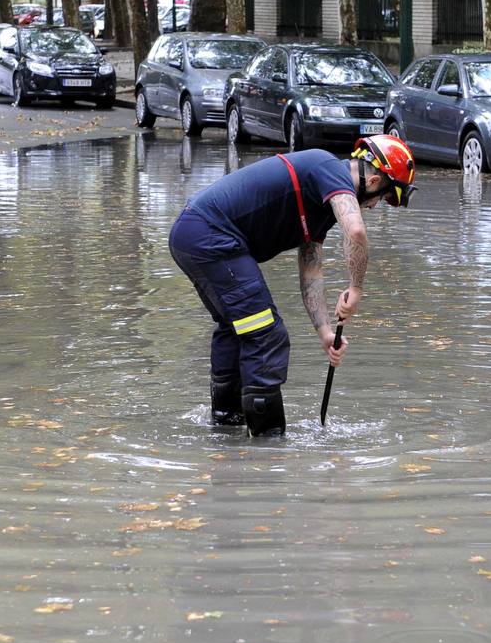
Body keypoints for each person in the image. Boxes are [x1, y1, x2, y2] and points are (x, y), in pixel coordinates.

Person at [168, 134, 417, 437]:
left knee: (238, 329)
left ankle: (225, 428)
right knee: (266, 334)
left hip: (193, 234)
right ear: (375, 180)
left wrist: (325, 332)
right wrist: (357, 288)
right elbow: (356, 230)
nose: (377, 206)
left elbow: (310, 271)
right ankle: (269, 444)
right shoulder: (330, 169)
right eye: (387, 197)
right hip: (209, 234)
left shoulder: (320, 205)